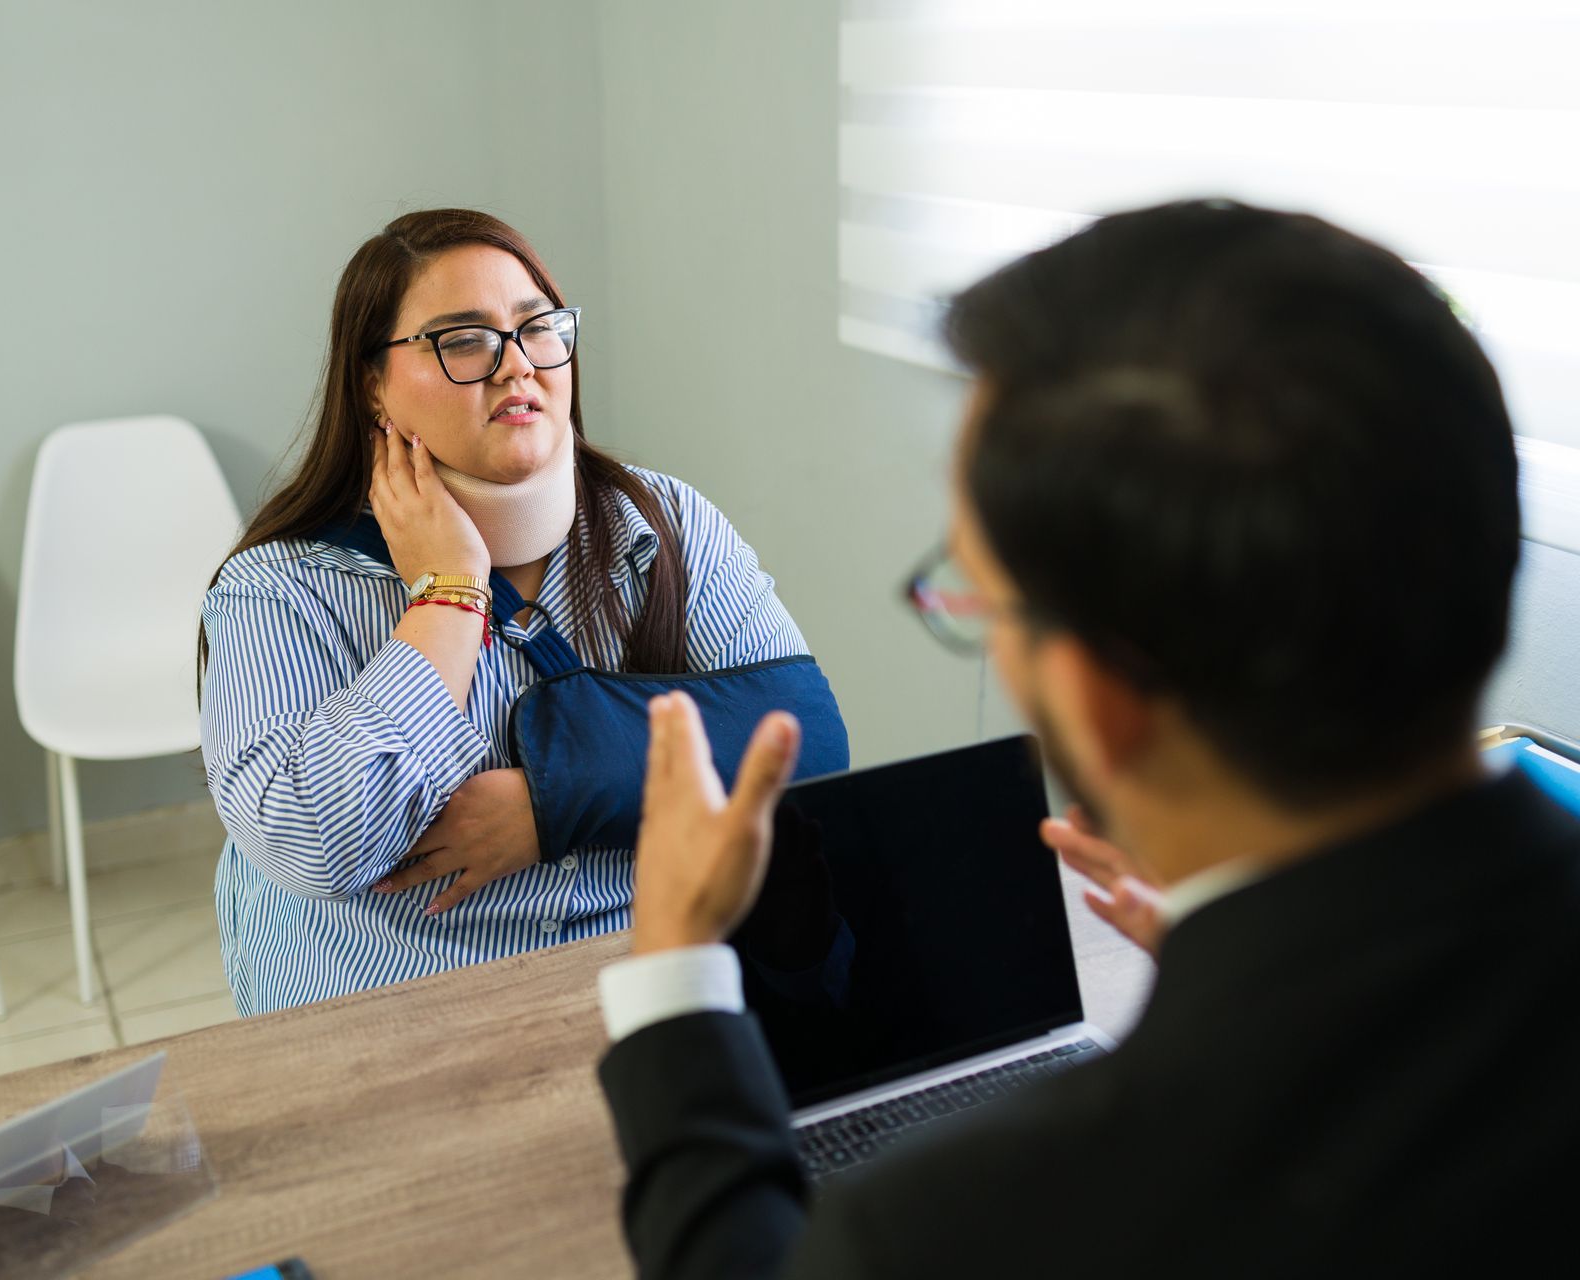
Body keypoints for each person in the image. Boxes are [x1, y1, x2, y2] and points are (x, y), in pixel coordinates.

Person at [595, 200, 1580, 1276]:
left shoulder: (961, 1226)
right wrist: (1259, 948)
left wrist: (680, 967)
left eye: (976, 589)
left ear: (1094, 694)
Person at [197, 209, 841, 1015]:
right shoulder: (281, 587)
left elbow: (809, 739)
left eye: (537, 328)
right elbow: (320, 839)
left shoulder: (663, 523)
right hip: (405, 1017)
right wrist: (448, 593)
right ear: (372, 384)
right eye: (463, 340)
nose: (516, 367)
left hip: (653, 981)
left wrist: (551, 803)